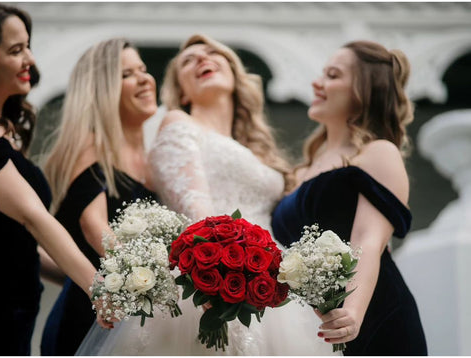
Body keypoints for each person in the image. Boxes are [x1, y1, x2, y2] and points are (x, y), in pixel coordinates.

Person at [77, 33, 336, 355]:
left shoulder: (256, 150)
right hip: (216, 273)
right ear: (180, 90)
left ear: (234, 72)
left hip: (268, 276)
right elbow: (195, 208)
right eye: (188, 61)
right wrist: (227, 272)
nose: (202, 59)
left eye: (214, 53)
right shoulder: (178, 123)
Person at [0, 3, 107, 355]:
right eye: (16, 50)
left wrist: (76, 279)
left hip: (15, 304)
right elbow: (34, 218)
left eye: (28, 46)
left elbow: (15, 239)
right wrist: (100, 290)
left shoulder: (7, 130)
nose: (30, 58)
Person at [271, 40, 428, 355]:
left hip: (371, 314)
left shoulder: (378, 152)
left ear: (363, 90)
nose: (317, 82)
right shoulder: (300, 171)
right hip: (312, 327)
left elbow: (369, 240)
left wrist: (353, 312)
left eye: (332, 75)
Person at [40, 38, 158, 356]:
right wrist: (152, 280)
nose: (145, 79)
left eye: (143, 70)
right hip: (91, 318)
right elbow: (95, 227)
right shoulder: (91, 146)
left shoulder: (155, 159)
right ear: (102, 89)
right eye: (127, 74)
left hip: (143, 320)